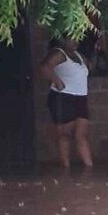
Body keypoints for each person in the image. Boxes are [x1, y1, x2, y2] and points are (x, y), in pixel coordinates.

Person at [39, 35, 96, 169]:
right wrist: (57, 81)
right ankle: (66, 168)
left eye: (76, 39)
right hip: (63, 97)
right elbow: (44, 68)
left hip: (81, 97)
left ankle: (89, 167)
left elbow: (90, 68)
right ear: (63, 40)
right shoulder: (59, 53)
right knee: (65, 135)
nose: (75, 41)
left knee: (81, 135)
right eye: (71, 39)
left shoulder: (79, 55)